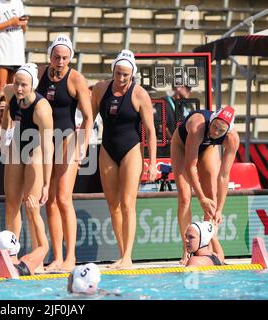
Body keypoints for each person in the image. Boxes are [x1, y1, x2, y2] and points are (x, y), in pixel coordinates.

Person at [91, 49, 157, 269]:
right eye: (118, 74)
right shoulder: (100, 89)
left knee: (128, 203)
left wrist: (153, 163)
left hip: (131, 149)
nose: (120, 79)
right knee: (113, 205)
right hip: (107, 148)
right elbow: (88, 120)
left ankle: (128, 256)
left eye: (125, 76)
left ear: (132, 75)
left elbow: (151, 131)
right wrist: (79, 144)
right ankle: (122, 255)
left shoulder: (140, 95)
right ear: (113, 71)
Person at [36, 34, 93, 272]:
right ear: (50, 56)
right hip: (41, 140)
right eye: (57, 57)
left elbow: (89, 117)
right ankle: (57, 257)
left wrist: (82, 146)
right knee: (47, 200)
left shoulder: (75, 78)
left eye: (65, 58)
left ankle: (71, 257)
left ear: (70, 58)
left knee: (62, 198)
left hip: (67, 138)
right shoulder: (39, 73)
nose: (60, 62)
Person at [171, 105, 239, 265]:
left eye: (220, 130)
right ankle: (186, 250)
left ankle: (205, 248)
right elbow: (190, 166)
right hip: (181, 146)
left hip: (207, 147)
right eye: (214, 126)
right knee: (185, 198)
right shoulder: (198, 126)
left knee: (212, 199)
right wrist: (200, 198)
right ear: (212, 120)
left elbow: (224, 176)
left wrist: (220, 209)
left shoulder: (232, 139)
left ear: (227, 131)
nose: (215, 132)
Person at [0, 63, 53, 266]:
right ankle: (11, 257)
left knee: (32, 206)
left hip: (36, 151)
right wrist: (4, 138)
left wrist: (47, 183)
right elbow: (7, 119)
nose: (19, 88)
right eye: (16, 83)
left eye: (24, 85)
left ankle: (36, 260)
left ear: (33, 86)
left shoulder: (42, 109)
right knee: (12, 205)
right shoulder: (9, 92)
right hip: (16, 146)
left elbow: (49, 149)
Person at [0, 0, 28, 116]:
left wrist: (22, 24)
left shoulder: (18, 3)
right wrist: (9, 22)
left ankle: (10, 121)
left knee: (15, 91)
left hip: (17, 53)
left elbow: (23, 28)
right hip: (1, 52)